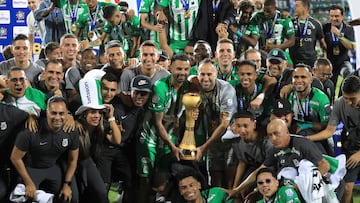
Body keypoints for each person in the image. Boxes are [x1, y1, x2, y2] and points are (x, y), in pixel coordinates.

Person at [136, 54, 192, 202]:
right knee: (145, 181)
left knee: (164, 181)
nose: (182, 73)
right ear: (170, 67)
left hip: (169, 140)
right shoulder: (160, 87)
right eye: (179, 68)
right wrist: (173, 146)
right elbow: (157, 122)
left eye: (186, 69)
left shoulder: (188, 86)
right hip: (150, 140)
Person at [228, 119, 330, 199]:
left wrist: (300, 186)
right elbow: (260, 171)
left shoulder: (302, 144)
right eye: (270, 135)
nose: (273, 138)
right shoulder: (274, 150)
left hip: (323, 187)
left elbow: (325, 166)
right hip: (294, 187)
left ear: (286, 132)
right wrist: (237, 189)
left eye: (276, 133)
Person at [10, 95, 79, 202]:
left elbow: (73, 160)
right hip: (32, 168)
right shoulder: (31, 130)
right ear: (47, 112)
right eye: (53, 113)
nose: (57, 117)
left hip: (53, 167)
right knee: (28, 197)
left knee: (71, 198)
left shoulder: (71, 130)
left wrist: (67, 184)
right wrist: (28, 182)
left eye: (61, 113)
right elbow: (15, 158)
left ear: (67, 114)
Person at [96, 74, 151, 203]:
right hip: (106, 150)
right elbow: (114, 139)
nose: (139, 97)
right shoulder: (116, 106)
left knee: (131, 183)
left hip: (125, 151)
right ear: (129, 92)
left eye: (143, 94)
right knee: (103, 186)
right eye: (136, 92)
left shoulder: (146, 109)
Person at [306, 75, 360, 203]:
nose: (348, 102)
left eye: (352, 99)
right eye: (345, 98)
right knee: (346, 189)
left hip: (358, 153)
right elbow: (329, 131)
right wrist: (307, 138)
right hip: (352, 149)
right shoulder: (340, 104)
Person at [74, 77, 121, 203]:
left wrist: (111, 117)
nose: (97, 116)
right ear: (85, 114)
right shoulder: (75, 128)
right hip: (71, 164)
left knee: (101, 194)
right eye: (93, 112)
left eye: (99, 113)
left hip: (87, 162)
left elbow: (117, 140)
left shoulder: (100, 127)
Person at [195, 59, 237, 188]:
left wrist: (204, 147)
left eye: (209, 74)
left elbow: (225, 124)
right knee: (214, 178)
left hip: (230, 139)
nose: (206, 78)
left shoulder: (226, 89)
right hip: (212, 139)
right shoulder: (195, 87)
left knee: (230, 179)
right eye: (202, 74)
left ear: (216, 74)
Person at [286, 64, 331, 154]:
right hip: (294, 133)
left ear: (311, 79)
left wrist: (305, 126)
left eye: (303, 77)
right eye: (296, 77)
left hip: (315, 136)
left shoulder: (321, 99)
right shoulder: (289, 95)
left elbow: (326, 126)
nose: (299, 80)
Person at [229, 111, 273, 200]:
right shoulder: (237, 142)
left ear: (254, 124)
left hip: (269, 168)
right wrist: (235, 188)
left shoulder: (266, 141)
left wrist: (239, 188)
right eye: (238, 126)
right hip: (253, 168)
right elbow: (242, 162)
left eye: (245, 126)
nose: (242, 130)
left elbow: (265, 166)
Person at [323, 5, 355, 84]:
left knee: (349, 72)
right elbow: (322, 46)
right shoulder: (325, 28)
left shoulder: (348, 29)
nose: (334, 19)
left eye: (336, 16)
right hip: (329, 62)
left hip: (343, 62)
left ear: (343, 16)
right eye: (331, 16)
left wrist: (339, 35)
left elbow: (352, 47)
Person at [289, 0, 326, 67]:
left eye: (297, 6)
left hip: (310, 62)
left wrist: (324, 58)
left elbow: (322, 44)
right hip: (293, 61)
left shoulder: (316, 24)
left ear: (305, 8)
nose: (294, 8)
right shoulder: (290, 22)